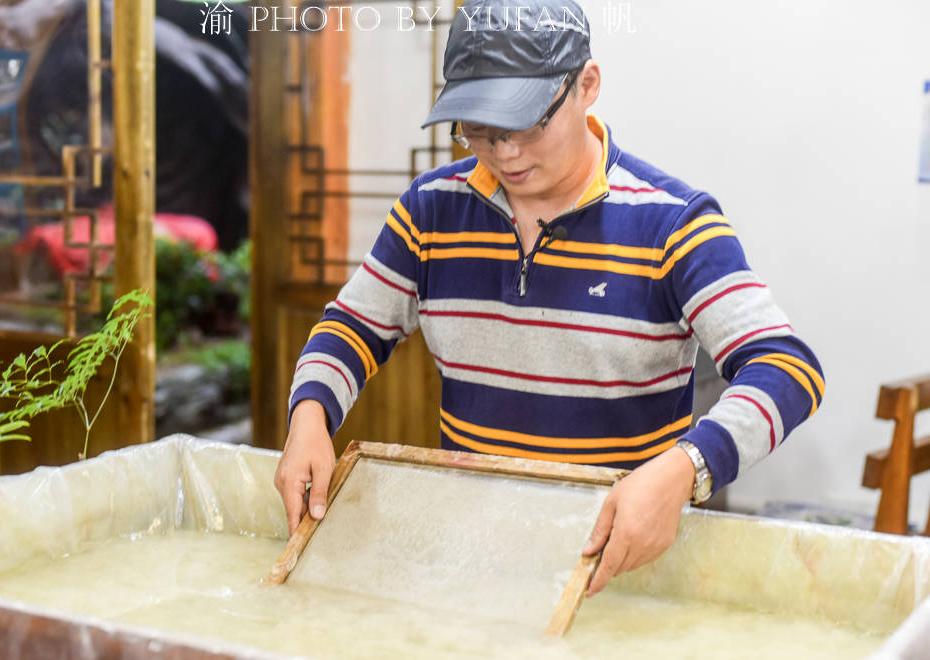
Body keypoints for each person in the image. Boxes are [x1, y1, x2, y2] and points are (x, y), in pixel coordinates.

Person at [274, 0, 824, 598]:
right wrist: (309, 419)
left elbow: (788, 369)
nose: (505, 153)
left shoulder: (672, 223)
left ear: (586, 85)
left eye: (529, 125)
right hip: (470, 558)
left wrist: (685, 468)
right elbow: (351, 328)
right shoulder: (432, 210)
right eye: (480, 129)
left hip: (617, 565)